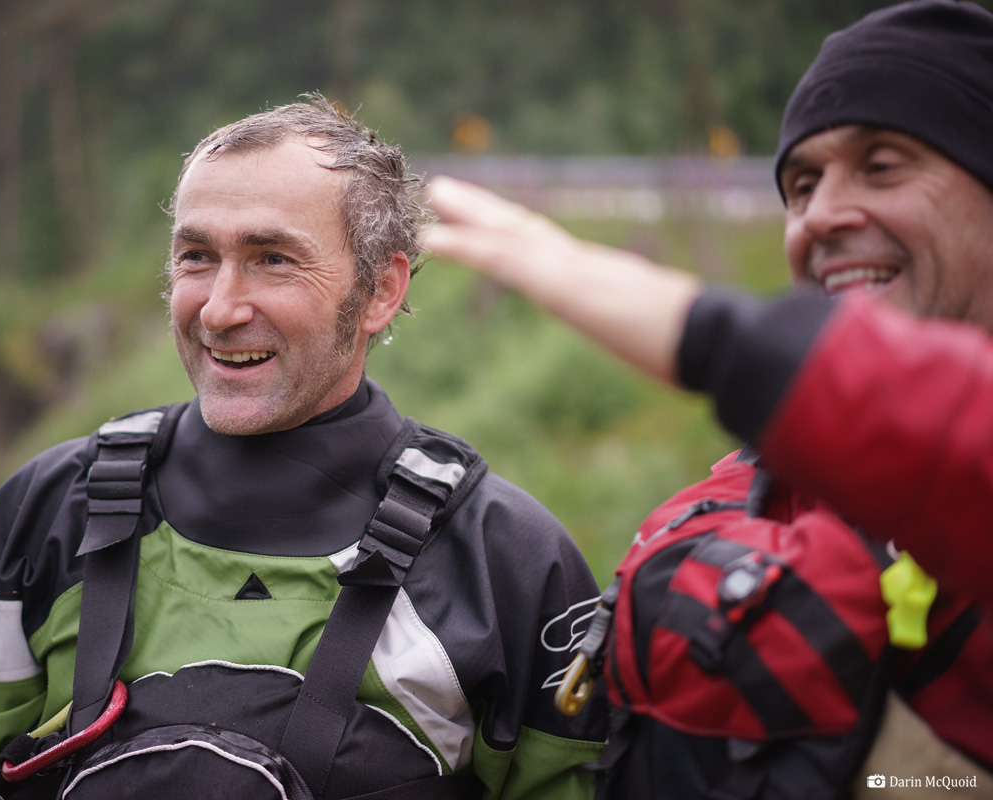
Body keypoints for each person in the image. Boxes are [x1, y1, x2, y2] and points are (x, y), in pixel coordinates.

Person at [0, 96, 606, 799]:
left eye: (273, 260)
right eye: (197, 256)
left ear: (380, 290)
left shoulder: (504, 561)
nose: (221, 310)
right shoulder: (47, 514)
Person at [424, 0, 993, 776]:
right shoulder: (722, 507)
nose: (820, 214)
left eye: (883, 165)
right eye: (799, 184)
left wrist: (701, 331)